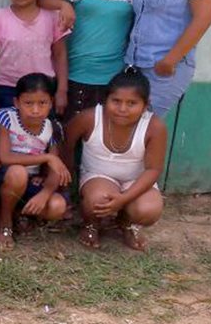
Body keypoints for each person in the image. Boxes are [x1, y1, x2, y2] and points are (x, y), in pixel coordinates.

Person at [63, 68, 166, 251]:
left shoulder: (154, 127)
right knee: (98, 199)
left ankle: (125, 223)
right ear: (105, 100)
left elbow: (153, 170)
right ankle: (91, 224)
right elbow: (66, 144)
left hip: (136, 180)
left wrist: (124, 198)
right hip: (98, 176)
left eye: (132, 103)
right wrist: (66, 181)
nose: (122, 109)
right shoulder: (89, 118)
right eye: (116, 101)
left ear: (145, 104)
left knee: (149, 210)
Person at [0, 73, 69, 250]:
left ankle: (19, 214)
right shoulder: (6, 117)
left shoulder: (52, 128)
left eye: (42, 103)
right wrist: (47, 157)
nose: (35, 110)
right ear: (17, 102)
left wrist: (46, 192)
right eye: (28, 103)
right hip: (5, 178)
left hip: (31, 182)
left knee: (57, 206)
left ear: (51, 103)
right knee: (17, 172)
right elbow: (5, 158)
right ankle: (4, 223)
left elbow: (56, 169)